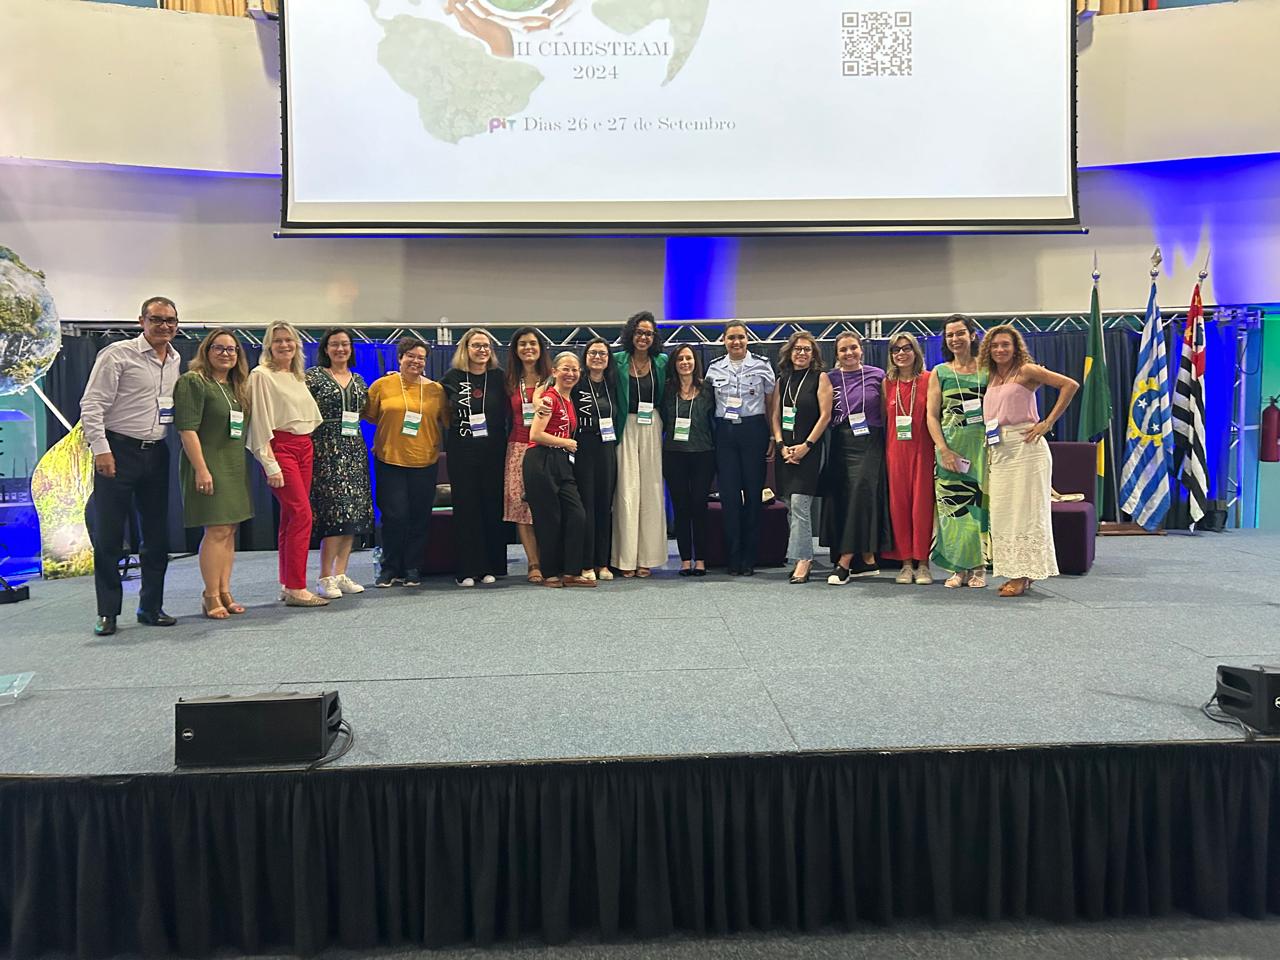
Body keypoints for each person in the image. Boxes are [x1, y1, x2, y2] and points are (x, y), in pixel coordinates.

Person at [80, 296, 183, 636]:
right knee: (110, 536)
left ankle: (150, 607)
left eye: (170, 320)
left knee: (156, 536)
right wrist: (101, 450)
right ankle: (107, 612)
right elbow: (92, 404)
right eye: (157, 319)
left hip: (157, 452)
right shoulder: (117, 355)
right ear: (142, 321)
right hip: (118, 451)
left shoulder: (174, 359)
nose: (164, 326)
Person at [979, 325, 1079, 597]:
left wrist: (1047, 423)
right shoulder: (991, 376)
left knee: (1025, 512)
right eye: (995, 345)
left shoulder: (1026, 371)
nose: (1000, 350)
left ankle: (1023, 575)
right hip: (1000, 450)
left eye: (1005, 345)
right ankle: (1017, 570)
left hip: (1026, 448)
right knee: (1003, 513)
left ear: (1015, 347)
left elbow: (1069, 385)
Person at [174, 328, 253, 619]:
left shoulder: (236, 387)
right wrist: (201, 469)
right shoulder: (193, 382)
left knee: (229, 530)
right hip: (207, 463)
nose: (226, 353)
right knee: (216, 529)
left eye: (231, 349)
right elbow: (187, 429)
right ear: (206, 351)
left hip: (233, 463)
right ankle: (210, 595)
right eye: (219, 348)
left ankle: (224, 590)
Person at [246, 321, 327, 606]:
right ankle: (297, 586)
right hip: (281, 448)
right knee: (302, 515)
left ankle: (287, 583)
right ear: (269, 344)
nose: (284, 345)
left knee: (291, 518)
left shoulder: (296, 376)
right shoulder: (261, 375)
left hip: (305, 446)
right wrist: (270, 464)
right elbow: (259, 423)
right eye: (278, 340)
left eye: (289, 340)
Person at [364, 338, 447, 588]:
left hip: (425, 460)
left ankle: (413, 567)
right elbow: (369, 415)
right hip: (390, 460)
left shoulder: (436, 390)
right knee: (394, 516)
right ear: (400, 358)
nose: (416, 361)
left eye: (421, 357)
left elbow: (445, 420)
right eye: (410, 356)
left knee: (419, 517)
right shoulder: (382, 385)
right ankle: (390, 568)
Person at [306, 327, 373, 598]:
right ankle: (325, 577)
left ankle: (341, 572)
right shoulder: (313, 378)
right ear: (326, 349)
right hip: (326, 449)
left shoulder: (358, 380)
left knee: (353, 514)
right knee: (334, 515)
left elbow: (368, 411)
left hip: (355, 449)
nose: (340, 349)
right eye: (335, 344)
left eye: (345, 344)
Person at [822, 330, 892, 584]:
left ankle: (845, 561)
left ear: (861, 349)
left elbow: (886, 411)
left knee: (862, 494)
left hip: (870, 441)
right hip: (841, 441)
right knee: (846, 498)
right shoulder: (829, 378)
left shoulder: (878, 375)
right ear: (837, 354)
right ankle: (867, 559)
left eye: (853, 348)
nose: (849, 353)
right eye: (843, 350)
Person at [706, 323, 776, 576]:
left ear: (748, 340)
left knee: (754, 495)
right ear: (724, 340)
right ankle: (733, 557)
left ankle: (749, 557)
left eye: (741, 337)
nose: (736, 342)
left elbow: (771, 402)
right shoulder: (714, 368)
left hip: (753, 430)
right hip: (725, 433)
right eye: (731, 338)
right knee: (730, 496)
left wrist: (771, 434)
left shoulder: (762, 364)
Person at [440, 328, 508, 587]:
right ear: (465, 349)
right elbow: (439, 409)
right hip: (462, 450)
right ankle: (466, 569)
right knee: (466, 508)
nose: (482, 350)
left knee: (490, 507)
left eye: (486, 346)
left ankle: (490, 566)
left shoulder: (499, 377)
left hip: (493, 450)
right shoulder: (452, 377)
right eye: (476, 345)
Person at [925, 314, 989, 589]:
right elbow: (931, 416)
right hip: (950, 449)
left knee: (979, 509)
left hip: (983, 450)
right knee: (953, 511)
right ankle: (957, 568)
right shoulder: (940, 372)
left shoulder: (988, 370)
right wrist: (944, 449)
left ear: (972, 335)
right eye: (949, 335)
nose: (954, 339)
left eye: (959, 333)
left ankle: (978, 567)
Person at [524, 352, 594, 587]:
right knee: (549, 518)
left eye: (575, 370)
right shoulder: (549, 399)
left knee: (577, 515)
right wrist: (566, 442)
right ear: (554, 372)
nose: (571, 374)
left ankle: (571, 571)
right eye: (565, 368)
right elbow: (535, 434)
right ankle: (549, 572)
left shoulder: (568, 399)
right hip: (540, 460)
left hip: (561, 462)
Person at [769, 331, 832, 584]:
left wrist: (806, 445)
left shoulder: (820, 378)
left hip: (809, 451)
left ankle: (804, 559)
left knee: (800, 505)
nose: (802, 353)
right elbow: (774, 416)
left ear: (813, 354)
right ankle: (796, 556)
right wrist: (781, 444)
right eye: (798, 349)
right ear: (789, 352)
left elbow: (825, 416)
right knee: (789, 505)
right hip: (786, 452)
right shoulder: (782, 380)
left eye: (807, 349)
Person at [612, 311, 669, 577]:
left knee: (651, 491)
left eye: (648, 333)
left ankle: (647, 557)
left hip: (652, 425)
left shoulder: (662, 361)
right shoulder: (617, 360)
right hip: (625, 426)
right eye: (639, 332)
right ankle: (625, 558)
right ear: (630, 334)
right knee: (627, 490)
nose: (643, 337)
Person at [882, 333, 935, 585]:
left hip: (923, 451)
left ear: (915, 351)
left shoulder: (929, 379)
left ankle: (923, 563)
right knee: (899, 507)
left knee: (922, 507)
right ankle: (905, 563)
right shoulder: (887, 383)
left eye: (906, 348)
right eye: (895, 350)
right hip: (895, 452)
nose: (901, 353)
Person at [661, 344, 717, 576]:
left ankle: (701, 559)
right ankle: (685, 559)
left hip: (703, 454)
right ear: (674, 364)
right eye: (680, 359)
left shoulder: (708, 389)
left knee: (699, 506)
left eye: (689, 358)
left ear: (695, 362)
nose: (685, 362)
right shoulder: (666, 390)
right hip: (674, 455)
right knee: (681, 508)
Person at [504, 327, 552, 582]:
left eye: (533, 343)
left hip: (547, 448)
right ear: (515, 350)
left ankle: (550, 559)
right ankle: (533, 563)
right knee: (521, 507)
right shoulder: (509, 381)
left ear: (541, 348)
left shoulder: (553, 379)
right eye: (522, 344)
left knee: (546, 505)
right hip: (517, 448)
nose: (528, 348)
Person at [572, 338, 619, 581]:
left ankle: (603, 562)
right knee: (587, 506)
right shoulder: (577, 384)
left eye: (602, 353)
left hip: (607, 448)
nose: (598, 357)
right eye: (593, 353)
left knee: (604, 506)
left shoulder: (613, 384)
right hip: (583, 448)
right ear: (585, 357)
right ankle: (586, 562)